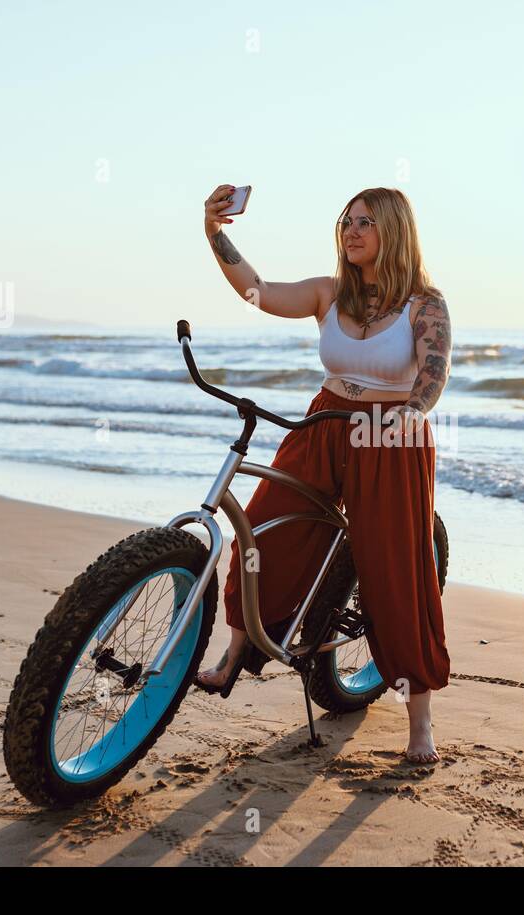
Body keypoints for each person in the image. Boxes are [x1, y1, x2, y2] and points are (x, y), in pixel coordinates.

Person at [193, 184, 451, 763]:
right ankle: (237, 652)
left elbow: (433, 374)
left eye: (365, 223)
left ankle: (420, 721)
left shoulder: (423, 303)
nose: (351, 232)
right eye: (347, 222)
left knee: (396, 569)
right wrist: (215, 234)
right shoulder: (329, 294)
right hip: (327, 420)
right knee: (263, 527)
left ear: (394, 232)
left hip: (391, 435)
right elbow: (258, 292)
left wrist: (409, 412)